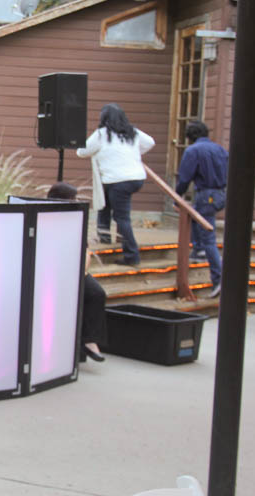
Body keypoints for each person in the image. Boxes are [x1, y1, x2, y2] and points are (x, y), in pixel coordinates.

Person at [76, 103, 155, 266]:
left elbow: (82, 151)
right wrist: (134, 153)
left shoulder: (102, 134)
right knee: (105, 201)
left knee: (121, 218)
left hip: (117, 180)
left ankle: (132, 255)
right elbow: (150, 142)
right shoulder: (132, 131)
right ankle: (104, 236)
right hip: (135, 178)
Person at [47, 182, 107, 362]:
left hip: (75, 270)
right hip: (51, 272)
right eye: (73, 198)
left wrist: (82, 272)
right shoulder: (44, 218)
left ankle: (89, 341)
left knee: (96, 293)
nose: (77, 201)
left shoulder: (76, 219)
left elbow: (86, 250)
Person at [175, 120, 228, 298]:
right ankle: (198, 250)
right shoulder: (220, 149)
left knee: (208, 238)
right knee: (194, 215)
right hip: (221, 193)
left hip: (206, 194)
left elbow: (185, 177)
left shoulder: (193, 150)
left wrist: (177, 196)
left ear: (190, 137)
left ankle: (219, 279)